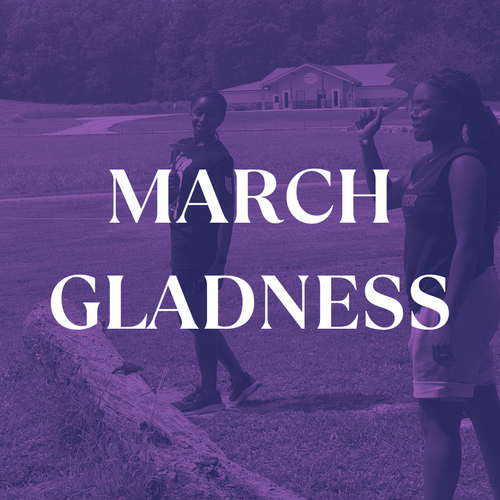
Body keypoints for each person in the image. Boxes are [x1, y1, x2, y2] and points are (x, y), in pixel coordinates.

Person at [356, 69, 500, 500]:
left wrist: (445, 319)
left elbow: (469, 246)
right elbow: (385, 197)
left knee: (437, 421)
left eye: (424, 105)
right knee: (483, 408)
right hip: (447, 300)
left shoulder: (465, 164)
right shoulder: (428, 163)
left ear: (454, 112)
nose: (414, 112)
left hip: (454, 299)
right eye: (413, 105)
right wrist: (367, 143)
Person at [168, 91, 260, 415]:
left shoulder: (220, 159)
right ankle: (240, 379)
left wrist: (219, 261)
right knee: (194, 320)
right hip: (180, 243)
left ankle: (209, 394)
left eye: (210, 115)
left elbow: (227, 213)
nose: (202, 119)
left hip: (201, 248)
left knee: (200, 322)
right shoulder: (180, 148)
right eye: (198, 112)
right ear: (190, 112)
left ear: (221, 119)